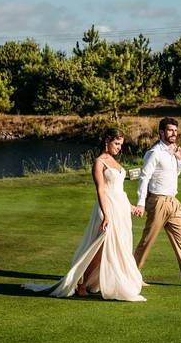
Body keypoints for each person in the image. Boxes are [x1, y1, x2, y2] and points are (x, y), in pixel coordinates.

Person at [23, 128, 145, 301]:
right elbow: (101, 191)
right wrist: (106, 215)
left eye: (121, 144)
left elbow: (119, 191)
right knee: (100, 247)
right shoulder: (99, 162)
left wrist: (130, 207)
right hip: (108, 208)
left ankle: (96, 282)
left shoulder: (114, 161)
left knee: (118, 246)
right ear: (106, 141)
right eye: (116, 144)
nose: (119, 148)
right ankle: (82, 283)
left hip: (121, 210)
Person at [133, 117, 181, 288]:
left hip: (174, 202)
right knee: (147, 240)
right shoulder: (154, 152)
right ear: (161, 132)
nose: (174, 133)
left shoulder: (174, 151)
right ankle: (131, 275)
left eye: (175, 131)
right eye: (170, 130)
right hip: (158, 201)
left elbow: (172, 175)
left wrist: (180, 160)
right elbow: (144, 177)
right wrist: (140, 203)